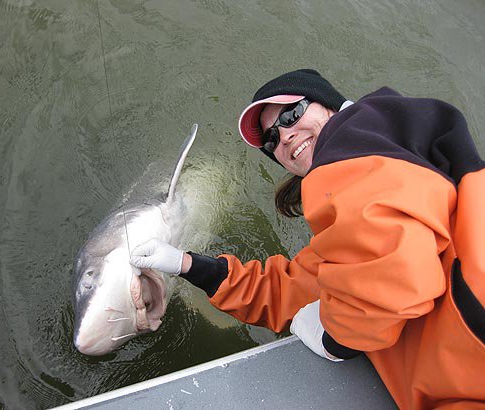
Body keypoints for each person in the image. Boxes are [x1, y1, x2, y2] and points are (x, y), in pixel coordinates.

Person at [130, 69, 485, 409]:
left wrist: (337, 339)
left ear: (329, 105)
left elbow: (399, 283)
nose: (283, 136)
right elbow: (290, 290)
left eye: (291, 114)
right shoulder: (369, 196)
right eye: (271, 140)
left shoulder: (359, 144)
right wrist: (186, 264)